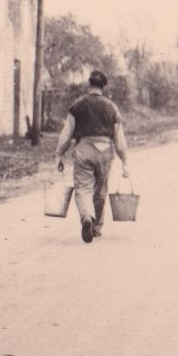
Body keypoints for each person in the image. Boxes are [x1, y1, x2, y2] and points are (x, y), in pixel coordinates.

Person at [54, 69, 131, 243]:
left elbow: (66, 134)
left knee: (82, 188)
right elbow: (119, 139)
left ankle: (86, 217)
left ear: (89, 84)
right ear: (104, 86)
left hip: (83, 150)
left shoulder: (78, 105)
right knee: (101, 190)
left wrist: (59, 154)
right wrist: (125, 161)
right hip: (105, 151)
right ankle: (96, 228)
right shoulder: (112, 107)